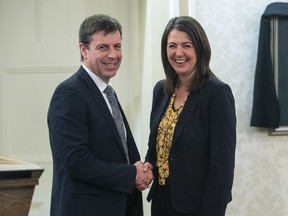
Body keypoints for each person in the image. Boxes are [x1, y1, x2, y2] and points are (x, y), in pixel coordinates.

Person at [47, 14, 153, 216]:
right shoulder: (69, 93)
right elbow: (77, 162)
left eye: (117, 46)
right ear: (83, 50)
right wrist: (131, 174)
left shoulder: (107, 92)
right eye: (103, 47)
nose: (113, 55)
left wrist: (139, 167)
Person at [145, 16, 236, 216]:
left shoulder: (217, 94)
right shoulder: (161, 90)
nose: (179, 53)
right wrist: (147, 167)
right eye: (172, 46)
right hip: (161, 202)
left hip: (198, 207)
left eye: (187, 45)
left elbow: (222, 166)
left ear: (200, 49)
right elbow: (158, 144)